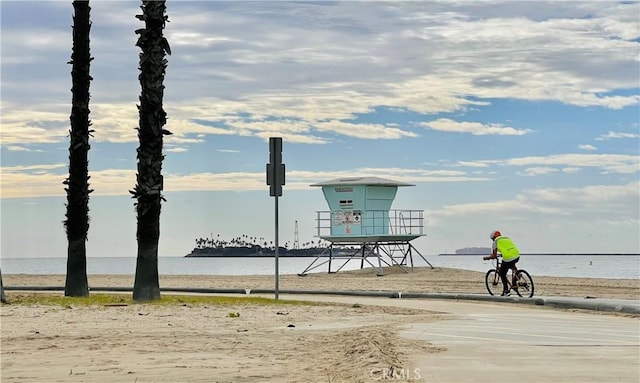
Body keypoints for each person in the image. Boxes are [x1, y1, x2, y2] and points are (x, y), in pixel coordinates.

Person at [483, 230, 520, 296]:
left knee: (502, 273)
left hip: (508, 257)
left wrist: (487, 258)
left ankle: (506, 291)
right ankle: (517, 275)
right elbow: (507, 248)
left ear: (493, 237)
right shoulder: (507, 238)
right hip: (517, 255)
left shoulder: (496, 241)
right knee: (511, 264)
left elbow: (494, 255)